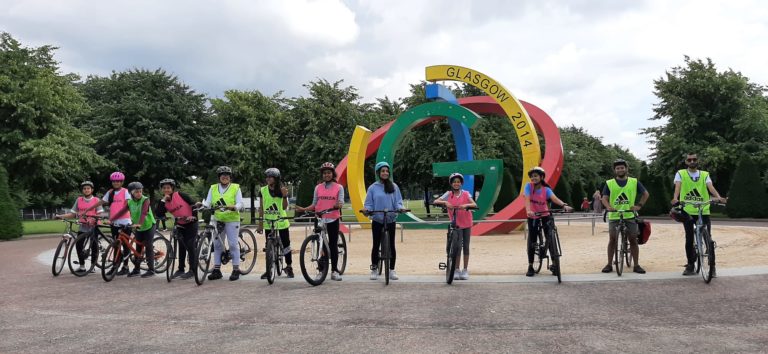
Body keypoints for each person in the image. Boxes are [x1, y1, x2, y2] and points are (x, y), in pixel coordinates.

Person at [671, 153, 727, 276]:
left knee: (708, 238)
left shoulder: (704, 174)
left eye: (694, 159)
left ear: (697, 161)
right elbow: (678, 188)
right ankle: (691, 264)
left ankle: (712, 266)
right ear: (686, 162)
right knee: (689, 237)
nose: (692, 161)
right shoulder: (681, 173)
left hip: (703, 209)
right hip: (687, 209)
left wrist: (718, 197)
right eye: (689, 160)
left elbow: (710, 187)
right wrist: (675, 198)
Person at [295, 162, 345, 281]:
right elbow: (314, 204)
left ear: (333, 174)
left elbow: (341, 202)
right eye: (324, 173)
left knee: (333, 244)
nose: (326, 175)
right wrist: (304, 209)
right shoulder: (318, 187)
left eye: (329, 173)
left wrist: (338, 205)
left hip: (333, 218)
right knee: (319, 243)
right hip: (320, 218)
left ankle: (334, 271)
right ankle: (321, 270)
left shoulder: (339, 187)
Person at [600, 159, 649, 274]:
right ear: (614, 170)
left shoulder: (634, 181)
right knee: (612, 239)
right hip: (615, 215)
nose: (620, 170)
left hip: (629, 214)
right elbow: (604, 198)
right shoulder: (609, 183)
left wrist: (639, 206)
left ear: (626, 169)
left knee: (633, 239)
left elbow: (646, 194)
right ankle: (609, 264)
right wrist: (608, 207)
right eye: (618, 168)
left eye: (622, 168)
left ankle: (636, 265)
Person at [523, 167, 572, 277]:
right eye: (531, 176)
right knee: (532, 240)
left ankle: (555, 264)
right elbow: (526, 198)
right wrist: (528, 210)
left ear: (541, 177)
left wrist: (564, 205)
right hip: (533, 216)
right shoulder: (528, 186)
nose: (533, 178)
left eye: (535, 176)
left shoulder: (546, 189)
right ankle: (530, 266)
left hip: (545, 214)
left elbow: (555, 199)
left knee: (550, 237)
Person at [362, 161, 406, 281]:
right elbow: (369, 204)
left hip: (390, 218)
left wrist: (400, 208)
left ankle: (392, 270)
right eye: (383, 171)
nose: (385, 173)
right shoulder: (372, 188)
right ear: (378, 173)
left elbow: (398, 201)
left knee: (391, 244)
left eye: (387, 171)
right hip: (377, 219)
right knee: (376, 244)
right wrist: (367, 210)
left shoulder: (394, 187)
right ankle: (374, 268)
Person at [432, 173, 477, 280]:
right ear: (451, 183)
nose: (456, 184)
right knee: (457, 247)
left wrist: (466, 205)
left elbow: (474, 204)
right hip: (456, 224)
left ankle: (465, 270)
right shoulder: (448, 194)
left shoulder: (466, 194)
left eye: (458, 182)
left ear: (461, 183)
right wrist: (445, 203)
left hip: (466, 223)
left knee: (466, 246)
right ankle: (456, 269)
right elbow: (435, 201)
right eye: (454, 182)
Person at [203, 166, 244, 281]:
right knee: (217, 245)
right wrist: (202, 206)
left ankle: (236, 269)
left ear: (230, 177)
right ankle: (217, 270)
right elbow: (208, 202)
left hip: (232, 219)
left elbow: (240, 202)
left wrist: (235, 207)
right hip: (218, 219)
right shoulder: (213, 188)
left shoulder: (235, 187)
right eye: (222, 175)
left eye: (227, 175)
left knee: (232, 244)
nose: (225, 176)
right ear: (219, 177)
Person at [54, 181, 104, 273]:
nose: (86, 190)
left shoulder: (96, 200)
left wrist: (93, 219)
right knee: (78, 245)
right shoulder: (79, 200)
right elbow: (72, 214)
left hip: (93, 226)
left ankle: (92, 266)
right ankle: (82, 266)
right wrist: (60, 216)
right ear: (82, 190)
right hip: (82, 226)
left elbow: (100, 213)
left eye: (88, 188)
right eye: (84, 189)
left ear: (92, 190)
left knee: (94, 246)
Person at [156, 178, 198, 280]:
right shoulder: (164, 201)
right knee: (181, 247)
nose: (166, 190)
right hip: (180, 224)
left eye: (168, 188)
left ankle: (193, 270)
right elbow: (159, 213)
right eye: (164, 188)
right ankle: (180, 269)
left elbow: (193, 204)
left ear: (172, 188)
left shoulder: (180, 195)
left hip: (191, 223)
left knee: (190, 245)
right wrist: (162, 200)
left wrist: (193, 216)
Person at [113, 182, 157, 278]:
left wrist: (139, 223)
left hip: (149, 225)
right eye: (136, 192)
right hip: (139, 227)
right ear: (131, 193)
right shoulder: (130, 202)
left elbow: (144, 212)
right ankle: (137, 270)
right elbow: (122, 212)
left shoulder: (145, 200)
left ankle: (151, 270)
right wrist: (111, 219)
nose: (139, 193)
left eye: (140, 191)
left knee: (148, 245)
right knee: (138, 248)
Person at [258, 167, 294, 279]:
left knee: (286, 245)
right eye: (267, 177)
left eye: (271, 177)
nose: (268, 179)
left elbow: (284, 207)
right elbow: (261, 207)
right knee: (268, 246)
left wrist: (284, 196)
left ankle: (289, 266)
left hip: (281, 221)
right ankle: (269, 269)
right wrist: (260, 223)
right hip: (268, 222)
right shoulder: (263, 190)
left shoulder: (282, 189)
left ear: (276, 178)